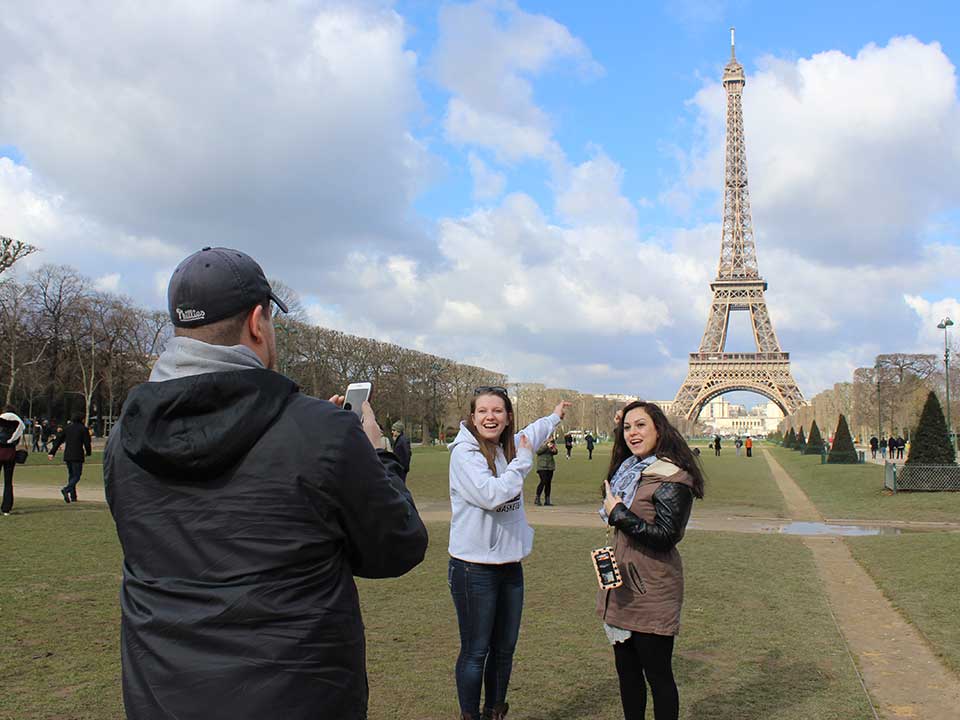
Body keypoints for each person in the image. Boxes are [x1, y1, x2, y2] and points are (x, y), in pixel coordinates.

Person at [104, 247, 428, 720]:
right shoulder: (319, 432)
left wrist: (314, 432)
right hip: (297, 696)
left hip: (162, 696)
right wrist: (376, 454)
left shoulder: (122, 440)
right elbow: (397, 547)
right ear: (258, 321)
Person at [447, 387, 571, 720]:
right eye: (483, 411)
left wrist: (555, 417)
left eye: (498, 411)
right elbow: (492, 495)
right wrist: (523, 464)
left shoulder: (508, 446)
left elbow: (533, 433)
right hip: (474, 569)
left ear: (508, 416)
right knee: (476, 652)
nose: (490, 417)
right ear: (472, 417)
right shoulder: (465, 453)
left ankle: (495, 712)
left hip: (509, 566)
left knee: (504, 651)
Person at [599, 401, 705, 720]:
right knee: (628, 676)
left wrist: (619, 513)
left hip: (652, 589)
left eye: (641, 425)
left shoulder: (672, 476)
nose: (633, 433)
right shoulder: (630, 471)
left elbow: (666, 536)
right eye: (628, 427)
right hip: (621, 586)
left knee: (658, 677)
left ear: (659, 428)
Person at [48, 415, 92, 503]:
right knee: (77, 476)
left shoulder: (67, 428)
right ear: (82, 419)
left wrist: (52, 452)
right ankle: (66, 489)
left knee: (71, 475)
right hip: (78, 455)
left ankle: (73, 496)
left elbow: (59, 440)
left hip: (68, 454)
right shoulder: (83, 429)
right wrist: (88, 452)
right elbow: (87, 442)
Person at [0, 409, 26, 516]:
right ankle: (6, 508)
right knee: (8, 482)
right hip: (10, 454)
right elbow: (17, 440)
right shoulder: (18, 424)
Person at [535, 437, 558, 506]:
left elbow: (555, 452)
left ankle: (547, 500)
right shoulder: (540, 442)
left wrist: (553, 449)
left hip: (550, 466)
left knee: (548, 483)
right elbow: (538, 451)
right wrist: (546, 445)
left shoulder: (552, 442)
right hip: (542, 466)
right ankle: (537, 498)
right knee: (543, 481)